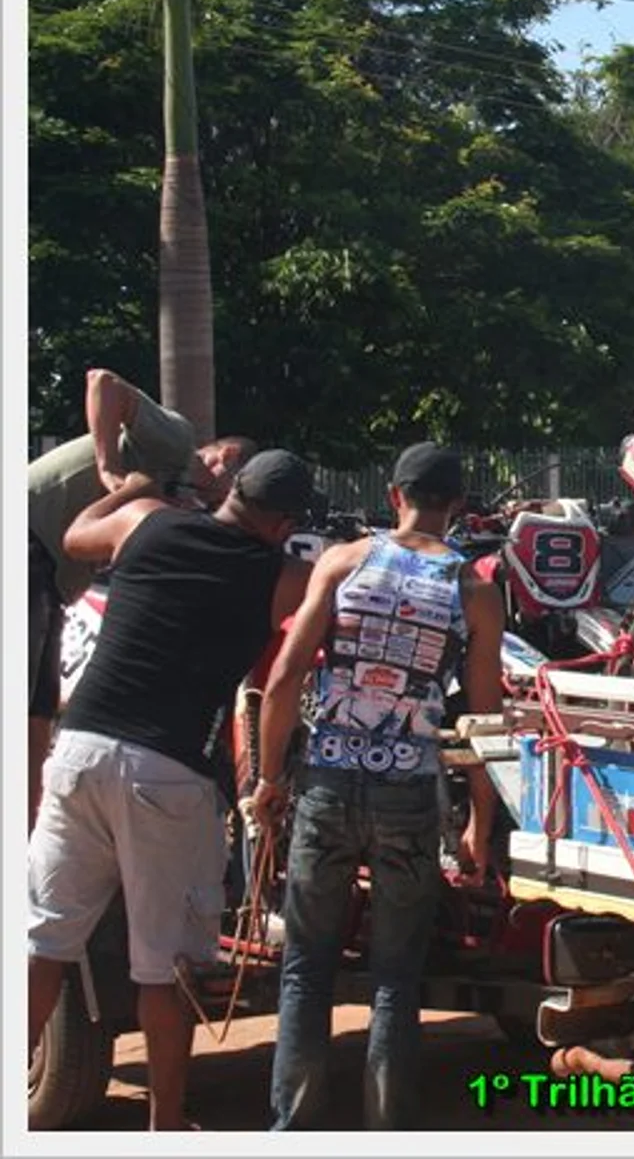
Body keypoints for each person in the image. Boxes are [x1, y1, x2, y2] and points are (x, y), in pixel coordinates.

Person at [26, 450, 317, 1131]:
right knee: (167, 967)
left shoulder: (147, 521)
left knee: (45, 941)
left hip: (78, 752)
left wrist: (130, 485)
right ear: (284, 524)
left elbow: (75, 536)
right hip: (169, 773)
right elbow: (334, 598)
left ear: (231, 490)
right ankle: (165, 1122)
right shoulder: (280, 576)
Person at [253, 443, 504, 1131]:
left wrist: (269, 780)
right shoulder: (474, 590)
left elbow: (285, 678)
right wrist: (480, 820)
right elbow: (484, 719)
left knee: (307, 965)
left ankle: (292, 1129)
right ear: (458, 506)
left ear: (395, 496)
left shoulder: (342, 563)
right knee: (396, 974)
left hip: (328, 782)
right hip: (409, 789)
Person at [26, 367, 256, 827]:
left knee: (39, 710)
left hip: (51, 576)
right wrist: (108, 466)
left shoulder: (183, 498)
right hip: (30, 543)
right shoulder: (174, 442)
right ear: (224, 458)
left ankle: (27, 829)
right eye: (231, 493)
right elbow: (102, 382)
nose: (223, 505)